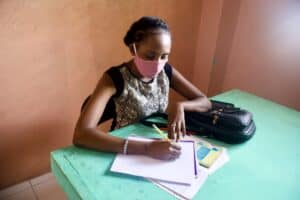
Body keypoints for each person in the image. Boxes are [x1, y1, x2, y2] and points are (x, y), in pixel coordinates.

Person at [73, 16, 211, 160]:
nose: (158, 63)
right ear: (134, 49)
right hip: (124, 149)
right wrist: (147, 148)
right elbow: (81, 134)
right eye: (150, 55)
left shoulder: (166, 72)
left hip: (156, 142)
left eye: (164, 56)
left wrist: (180, 106)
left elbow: (204, 101)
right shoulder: (114, 78)